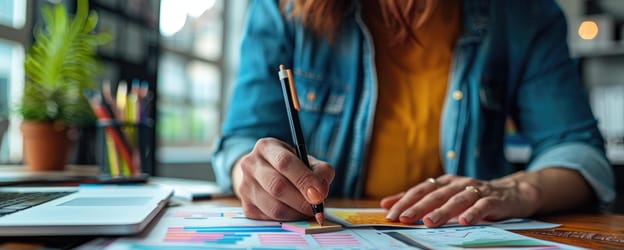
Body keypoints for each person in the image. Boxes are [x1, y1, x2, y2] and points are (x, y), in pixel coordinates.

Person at [212, 0, 615, 227]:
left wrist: (519, 190)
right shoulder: (283, 8)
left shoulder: (526, 15)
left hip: (467, 243)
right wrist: (256, 174)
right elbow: (243, 141)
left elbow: (579, 153)